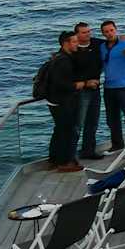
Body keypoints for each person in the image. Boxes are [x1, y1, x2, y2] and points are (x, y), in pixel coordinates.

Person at [36, 30, 84, 171]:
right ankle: (65, 162)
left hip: (54, 101)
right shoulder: (64, 61)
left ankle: (54, 159)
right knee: (67, 131)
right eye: (74, 42)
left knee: (59, 130)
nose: (77, 44)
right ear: (65, 44)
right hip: (63, 102)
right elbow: (61, 84)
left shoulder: (57, 57)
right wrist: (77, 85)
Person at [98, 19, 125, 152]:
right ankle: (117, 144)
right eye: (106, 31)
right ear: (103, 33)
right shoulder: (102, 47)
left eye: (111, 30)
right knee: (112, 119)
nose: (109, 33)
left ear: (115, 29)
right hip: (109, 87)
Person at [71, 20, 105, 161]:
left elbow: (112, 41)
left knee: (92, 122)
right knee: (78, 124)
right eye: (84, 32)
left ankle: (88, 150)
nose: (88, 35)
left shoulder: (97, 43)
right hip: (80, 91)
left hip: (95, 88)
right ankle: (71, 156)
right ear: (77, 35)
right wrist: (85, 83)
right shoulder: (73, 50)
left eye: (89, 31)